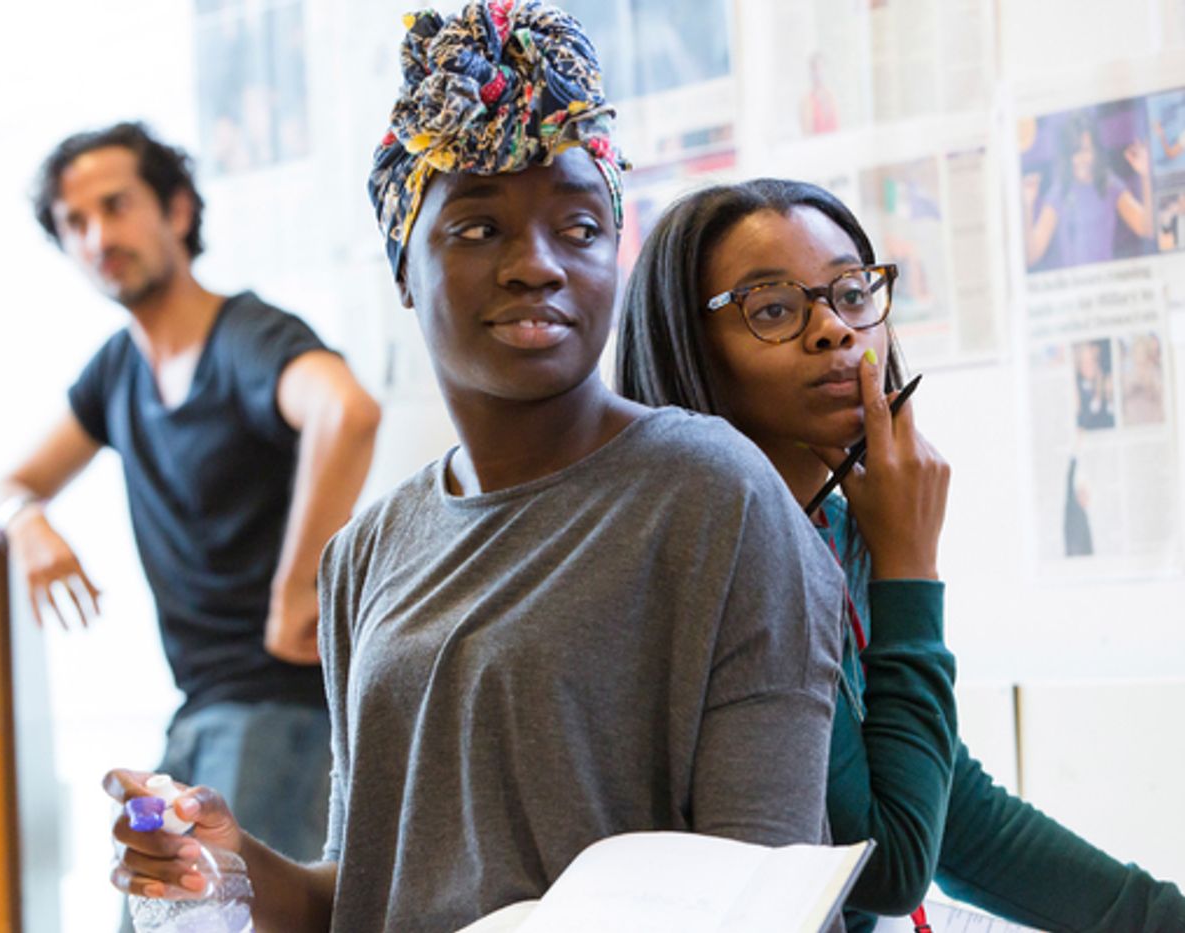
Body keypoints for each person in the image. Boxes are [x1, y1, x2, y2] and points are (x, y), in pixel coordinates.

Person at [105, 6, 845, 932]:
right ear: (403, 268)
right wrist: (237, 868)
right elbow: (370, 891)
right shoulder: (367, 552)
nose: (536, 265)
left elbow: (764, 890)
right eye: (478, 228)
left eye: (580, 227)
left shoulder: (711, 494)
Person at [615, 177, 1185, 932]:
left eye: (852, 294)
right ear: (688, 348)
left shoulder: (837, 524)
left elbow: (951, 810)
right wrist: (909, 569)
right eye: (774, 309)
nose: (833, 329)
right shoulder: (717, 556)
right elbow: (884, 863)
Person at [0, 122, 380, 868]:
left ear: (176, 210)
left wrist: (297, 589)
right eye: (75, 222)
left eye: (116, 205)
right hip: (202, 708)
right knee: (147, 902)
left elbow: (348, 411)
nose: (99, 236)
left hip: (281, 706)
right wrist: (26, 518)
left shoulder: (247, 338)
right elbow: (4, 485)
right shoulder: (117, 371)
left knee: (204, 908)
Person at [1024, 113, 1153, 270]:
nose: (1080, 159)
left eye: (1086, 150)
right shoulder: (1059, 193)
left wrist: (1146, 175)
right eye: (1074, 152)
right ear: (1067, 156)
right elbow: (1031, 256)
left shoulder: (1110, 185)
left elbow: (1147, 229)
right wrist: (1027, 205)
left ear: (1096, 151)